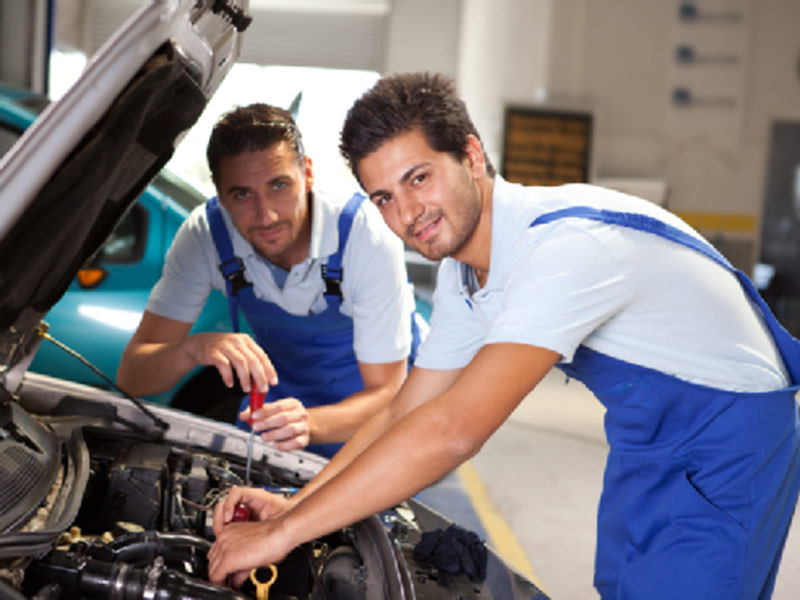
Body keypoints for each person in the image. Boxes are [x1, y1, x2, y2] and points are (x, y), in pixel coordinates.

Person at [207, 74, 800, 598]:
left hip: (730, 436)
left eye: (419, 178)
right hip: (648, 433)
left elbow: (453, 431)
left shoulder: (561, 251)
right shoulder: (467, 271)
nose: (408, 213)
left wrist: (282, 535)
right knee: (622, 585)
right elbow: (407, 409)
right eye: (384, 197)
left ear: (470, 155)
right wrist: (295, 506)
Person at [117, 103, 423, 458]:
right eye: (242, 194)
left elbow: (387, 393)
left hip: (380, 416)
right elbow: (132, 377)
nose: (266, 215)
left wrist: (309, 424)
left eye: (279, 185)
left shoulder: (363, 234)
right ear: (219, 192)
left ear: (307, 174)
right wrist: (193, 348)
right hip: (286, 409)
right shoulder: (206, 236)